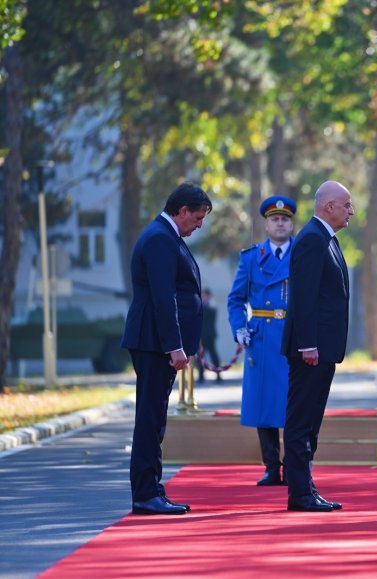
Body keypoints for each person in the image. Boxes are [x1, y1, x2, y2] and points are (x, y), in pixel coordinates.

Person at [120, 182, 212, 515]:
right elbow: (163, 297)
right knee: (150, 418)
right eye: (198, 217)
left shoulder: (166, 235)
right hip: (154, 342)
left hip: (155, 341)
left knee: (154, 418)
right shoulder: (160, 238)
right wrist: (174, 345)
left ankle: (152, 489)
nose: (199, 224)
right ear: (182, 210)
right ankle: (145, 494)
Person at [281, 180, 354, 512]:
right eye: (347, 205)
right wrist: (307, 344)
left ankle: (306, 486)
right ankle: (299, 492)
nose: (351, 211)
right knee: (301, 420)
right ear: (329, 207)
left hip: (322, 349)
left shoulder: (326, 238)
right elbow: (304, 298)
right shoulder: (312, 239)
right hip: (310, 351)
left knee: (311, 421)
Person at [228, 195, 296, 486]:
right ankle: (271, 466)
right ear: (266, 225)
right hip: (262, 338)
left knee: (295, 404)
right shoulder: (251, 258)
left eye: (284, 219)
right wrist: (239, 328)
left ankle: (296, 466)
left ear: (292, 223)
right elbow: (235, 300)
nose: (279, 223)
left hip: (294, 335)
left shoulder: (303, 255)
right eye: (274, 219)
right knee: (265, 404)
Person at [197, 288, 222, 383]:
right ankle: (201, 376)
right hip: (204, 335)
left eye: (203, 295)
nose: (202, 297)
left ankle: (218, 375)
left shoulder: (210, 305)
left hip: (208, 335)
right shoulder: (207, 305)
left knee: (212, 355)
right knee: (201, 356)